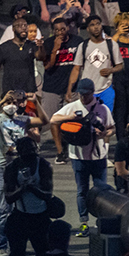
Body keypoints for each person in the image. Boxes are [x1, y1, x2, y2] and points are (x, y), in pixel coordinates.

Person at [0, 91, 51, 256]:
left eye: (15, 101)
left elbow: (44, 121)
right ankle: (1, 245)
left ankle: (12, 237)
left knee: (19, 204)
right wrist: (1, 102)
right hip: (1, 165)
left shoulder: (22, 120)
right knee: (3, 206)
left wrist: (36, 103)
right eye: (10, 101)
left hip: (18, 165)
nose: (12, 104)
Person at [52, 78, 115, 237]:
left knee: (102, 190)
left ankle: (101, 221)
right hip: (78, 156)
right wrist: (70, 118)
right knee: (82, 191)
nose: (83, 97)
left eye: (86, 94)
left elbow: (111, 128)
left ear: (92, 93)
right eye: (81, 94)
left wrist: (105, 133)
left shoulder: (102, 109)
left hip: (98, 156)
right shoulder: (73, 107)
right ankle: (84, 222)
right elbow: (53, 119)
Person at [2, 136, 54, 256]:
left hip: (40, 217)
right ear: (19, 153)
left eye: (33, 150)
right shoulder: (11, 168)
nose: (31, 154)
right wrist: (22, 189)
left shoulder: (44, 166)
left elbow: (48, 194)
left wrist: (32, 188)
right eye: (26, 151)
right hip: (21, 215)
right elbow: (8, 197)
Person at [39, 17, 84, 163]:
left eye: (63, 29)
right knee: (53, 120)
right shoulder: (48, 43)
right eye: (57, 30)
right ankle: (60, 152)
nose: (60, 32)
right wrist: (55, 50)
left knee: (73, 120)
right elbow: (47, 67)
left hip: (72, 87)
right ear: (53, 31)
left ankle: (71, 148)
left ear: (68, 28)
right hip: (52, 87)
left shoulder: (77, 41)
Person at [66, 13, 123, 110]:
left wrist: (111, 70)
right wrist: (69, 89)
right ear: (87, 29)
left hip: (106, 88)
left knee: (106, 117)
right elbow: (76, 69)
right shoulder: (83, 46)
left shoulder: (112, 44)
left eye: (98, 24)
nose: (96, 27)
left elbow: (120, 65)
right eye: (92, 25)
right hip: (87, 90)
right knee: (87, 117)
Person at [0, 18, 40, 104]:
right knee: (9, 116)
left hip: (29, 91)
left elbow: (40, 57)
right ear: (13, 29)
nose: (23, 28)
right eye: (19, 26)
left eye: (25, 26)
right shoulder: (4, 47)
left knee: (30, 117)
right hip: (10, 91)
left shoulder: (32, 45)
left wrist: (41, 47)